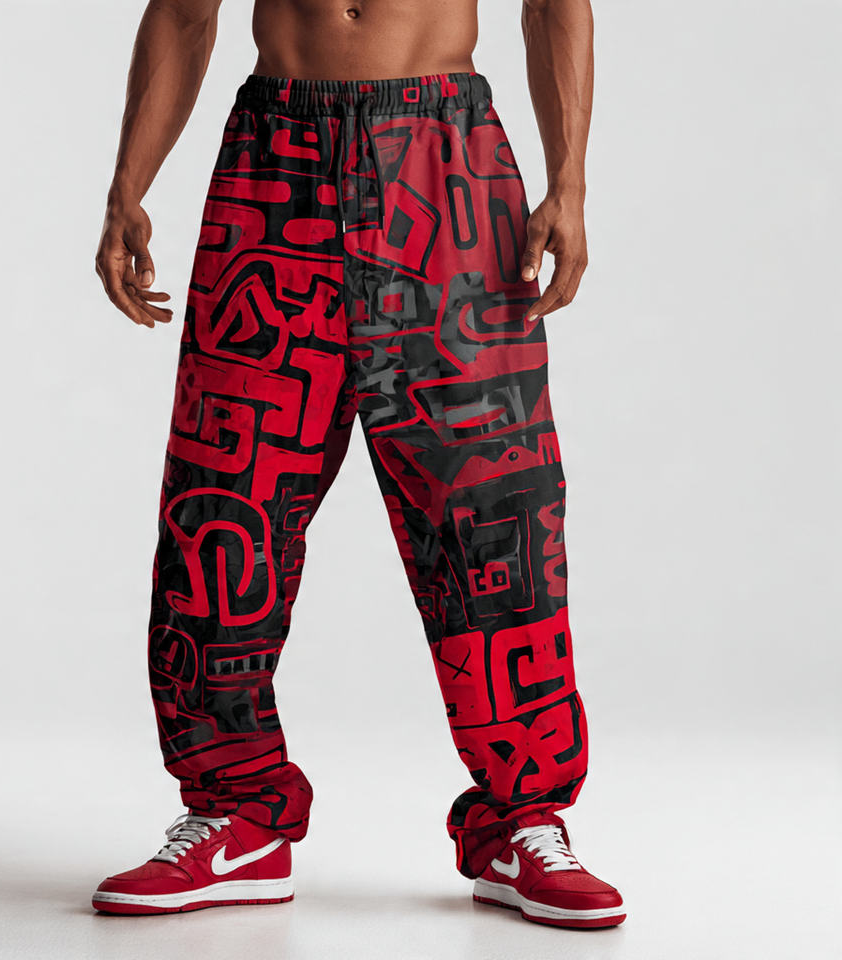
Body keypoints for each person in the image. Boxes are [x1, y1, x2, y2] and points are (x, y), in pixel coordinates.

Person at [92, 0, 624, 929]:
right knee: (225, 502)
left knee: (492, 508)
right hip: (273, 159)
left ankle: (522, 820)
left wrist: (569, 181)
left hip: (445, 153)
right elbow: (182, 10)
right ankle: (236, 815)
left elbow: (552, 3)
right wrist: (126, 186)